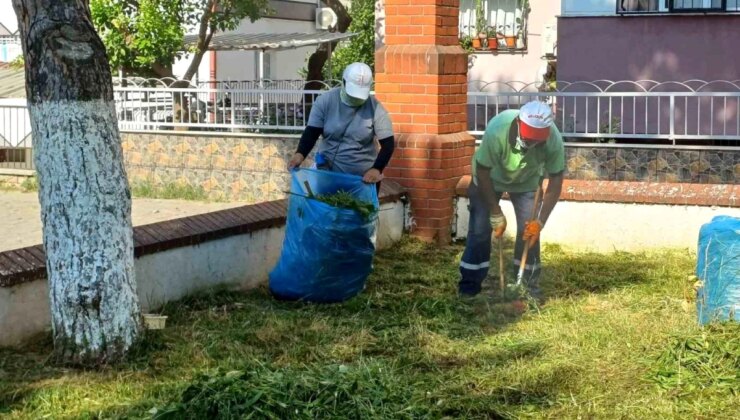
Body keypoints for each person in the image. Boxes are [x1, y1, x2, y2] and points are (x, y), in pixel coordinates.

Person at [458, 101, 565, 300]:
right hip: (489, 180)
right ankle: (469, 286)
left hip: (527, 183)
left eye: (537, 139)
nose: (532, 143)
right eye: (529, 137)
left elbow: (556, 180)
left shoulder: (553, 139)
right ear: (518, 123)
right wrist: (494, 211)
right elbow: (483, 171)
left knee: (529, 234)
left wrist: (540, 221)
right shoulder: (497, 130)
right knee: (480, 231)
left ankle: (526, 285)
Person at [287, 62, 395, 192]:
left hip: (362, 181)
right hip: (327, 177)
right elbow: (311, 133)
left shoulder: (376, 108)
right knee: (326, 211)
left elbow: (388, 144)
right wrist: (300, 154)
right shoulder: (325, 101)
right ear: (343, 82)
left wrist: (377, 168)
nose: (355, 98)